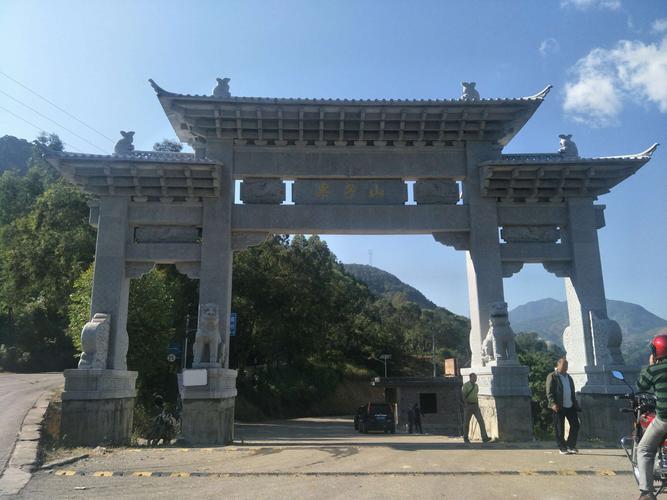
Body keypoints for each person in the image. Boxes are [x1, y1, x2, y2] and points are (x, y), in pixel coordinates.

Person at [635, 331, 667, 500]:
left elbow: (640, 385)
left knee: (644, 449)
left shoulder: (654, 370)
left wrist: (650, 365)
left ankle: (647, 492)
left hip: (664, 420)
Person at [545, 358, 580, 455]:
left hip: (570, 405)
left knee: (575, 425)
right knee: (559, 428)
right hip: (558, 406)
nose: (565, 368)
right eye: (564, 365)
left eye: (566, 366)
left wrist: (575, 403)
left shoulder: (568, 377)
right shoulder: (552, 376)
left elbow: (572, 391)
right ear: (558, 365)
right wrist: (552, 403)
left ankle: (570, 445)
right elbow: (549, 392)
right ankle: (562, 447)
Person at [461, 373, 490, 443]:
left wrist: (477, 404)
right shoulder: (466, 385)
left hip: (475, 405)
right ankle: (465, 437)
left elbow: (476, 395)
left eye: (476, 377)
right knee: (466, 423)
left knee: (481, 421)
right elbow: (463, 395)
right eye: (474, 377)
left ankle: (484, 437)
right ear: (470, 378)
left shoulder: (476, 386)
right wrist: (466, 404)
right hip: (468, 405)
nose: (475, 379)